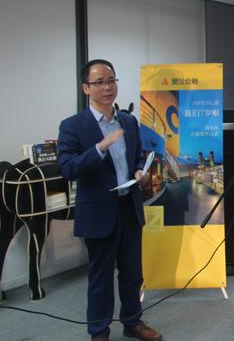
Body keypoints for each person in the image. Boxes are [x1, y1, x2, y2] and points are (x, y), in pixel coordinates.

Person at [57, 60, 161, 341]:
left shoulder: (128, 121)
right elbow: (67, 168)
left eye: (111, 80)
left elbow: (137, 155)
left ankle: (133, 322)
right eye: (99, 82)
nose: (107, 87)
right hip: (99, 212)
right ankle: (99, 331)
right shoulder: (73, 126)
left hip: (129, 206)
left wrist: (139, 171)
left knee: (132, 273)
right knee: (100, 277)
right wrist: (100, 148)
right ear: (86, 88)